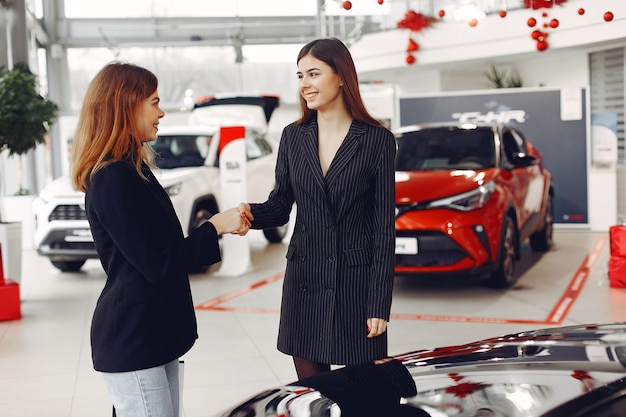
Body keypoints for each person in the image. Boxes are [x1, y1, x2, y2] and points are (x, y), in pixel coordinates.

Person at [70, 62, 249, 417]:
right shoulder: (113, 178)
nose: (161, 112)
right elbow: (160, 262)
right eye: (154, 102)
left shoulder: (131, 168)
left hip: (152, 334)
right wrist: (214, 226)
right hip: (134, 339)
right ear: (126, 105)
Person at [238, 37, 396, 380]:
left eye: (313, 73)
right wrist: (247, 214)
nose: (305, 84)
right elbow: (281, 205)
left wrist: (379, 304)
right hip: (305, 283)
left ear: (341, 76)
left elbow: (384, 228)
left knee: (363, 397)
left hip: (355, 285)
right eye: (299, 76)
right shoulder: (294, 137)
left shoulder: (376, 140)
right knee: (313, 396)